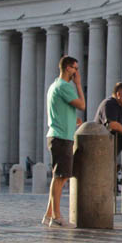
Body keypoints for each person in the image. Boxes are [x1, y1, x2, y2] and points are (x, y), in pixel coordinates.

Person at [44, 56, 85, 228]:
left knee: (59, 176)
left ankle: (49, 215)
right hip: (62, 137)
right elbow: (82, 105)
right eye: (75, 68)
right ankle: (56, 217)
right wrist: (78, 84)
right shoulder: (65, 86)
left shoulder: (54, 85)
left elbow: (59, 110)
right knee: (61, 177)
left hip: (58, 134)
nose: (77, 72)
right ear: (68, 68)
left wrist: (72, 120)